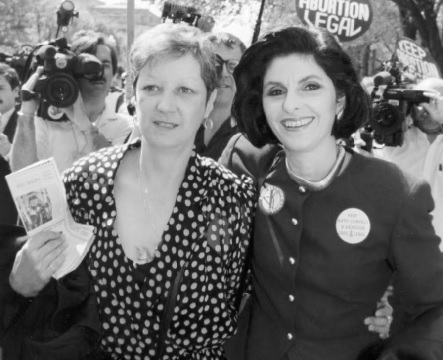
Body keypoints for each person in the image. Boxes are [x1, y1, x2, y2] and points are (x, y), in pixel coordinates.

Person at [6, 23, 256, 359]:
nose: (166, 105)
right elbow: (47, 296)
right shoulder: (84, 184)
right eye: (152, 87)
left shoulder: (233, 201)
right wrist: (19, 284)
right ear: (133, 94)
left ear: (209, 101)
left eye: (185, 90)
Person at [219, 26, 443, 360]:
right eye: (276, 91)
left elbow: (435, 307)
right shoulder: (245, 163)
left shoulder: (395, 192)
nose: (291, 105)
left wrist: (395, 337)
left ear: (339, 99)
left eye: (310, 87)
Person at [10, 30, 133, 173]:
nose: (98, 72)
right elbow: (22, 173)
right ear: (72, 70)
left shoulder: (126, 126)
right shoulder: (46, 122)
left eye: (105, 65)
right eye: (92, 65)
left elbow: (117, 175)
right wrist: (27, 113)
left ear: (114, 73)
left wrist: (86, 126)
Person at [194, 32, 246, 160]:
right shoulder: (180, 118)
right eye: (215, 64)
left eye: (233, 66)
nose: (223, 73)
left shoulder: (249, 133)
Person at [0, 63, 20, 224]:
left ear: (16, 91)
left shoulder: (29, 122)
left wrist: (9, 152)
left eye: (0, 88)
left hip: (12, 219)